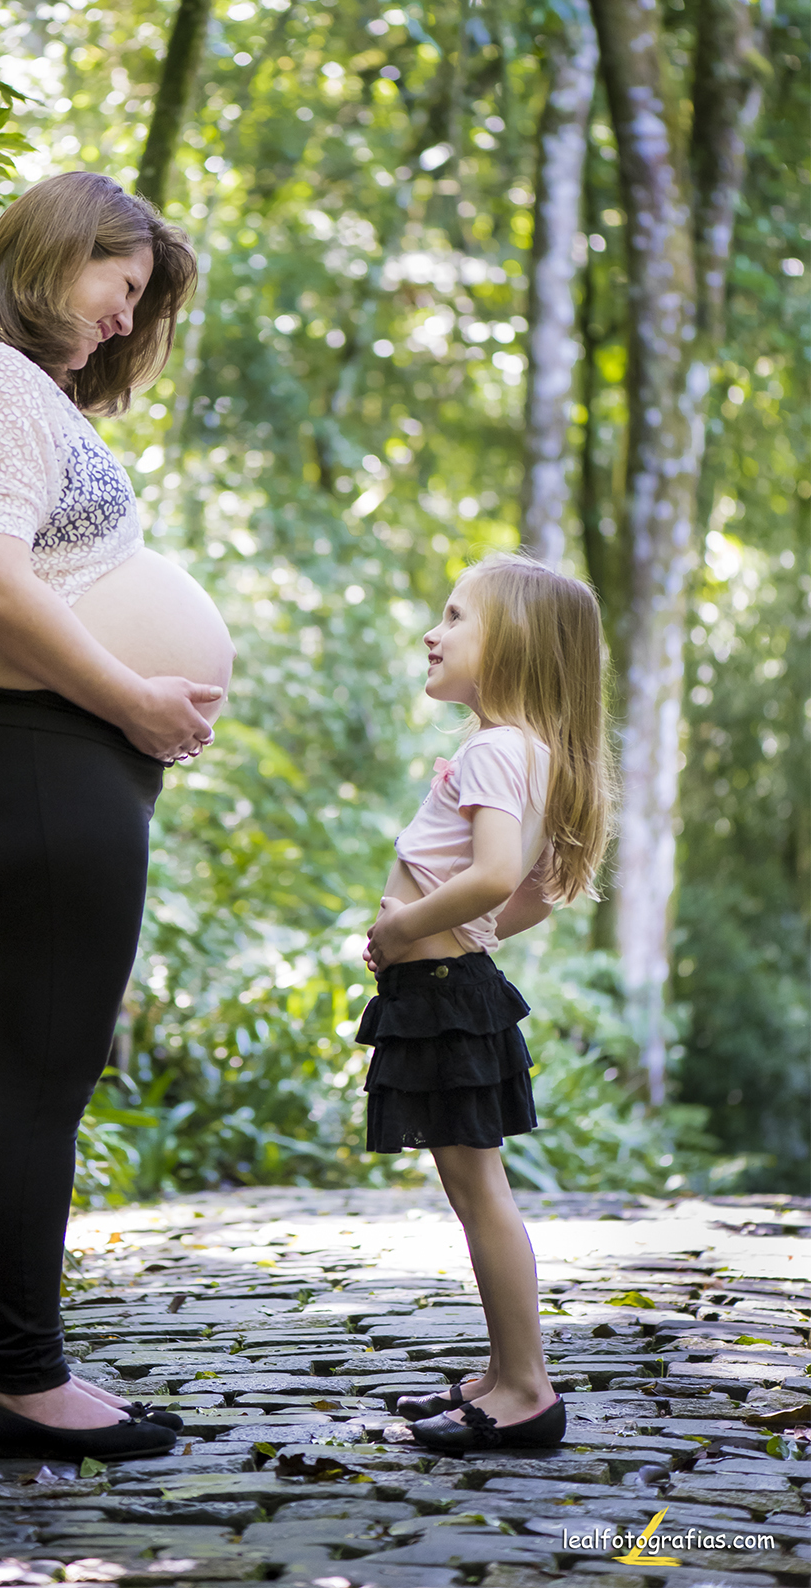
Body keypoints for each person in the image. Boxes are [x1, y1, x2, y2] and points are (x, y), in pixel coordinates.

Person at [0, 172, 235, 1463]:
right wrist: (140, 696)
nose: (122, 321)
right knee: (40, 1083)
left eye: (140, 303)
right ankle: (29, 1388)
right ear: (53, 254)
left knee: (42, 1077)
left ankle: (33, 1376)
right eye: (118, 286)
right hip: (27, 754)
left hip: (40, 755)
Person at [358, 552, 613, 1454]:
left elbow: (500, 875)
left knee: (482, 1196)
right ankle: (504, 1373)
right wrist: (464, 936)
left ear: (515, 649)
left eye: (456, 617)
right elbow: (536, 894)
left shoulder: (498, 749)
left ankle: (527, 1391)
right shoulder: (523, 752)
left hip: (440, 993)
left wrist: (407, 931)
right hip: (443, 990)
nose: (435, 631)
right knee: (474, 1193)